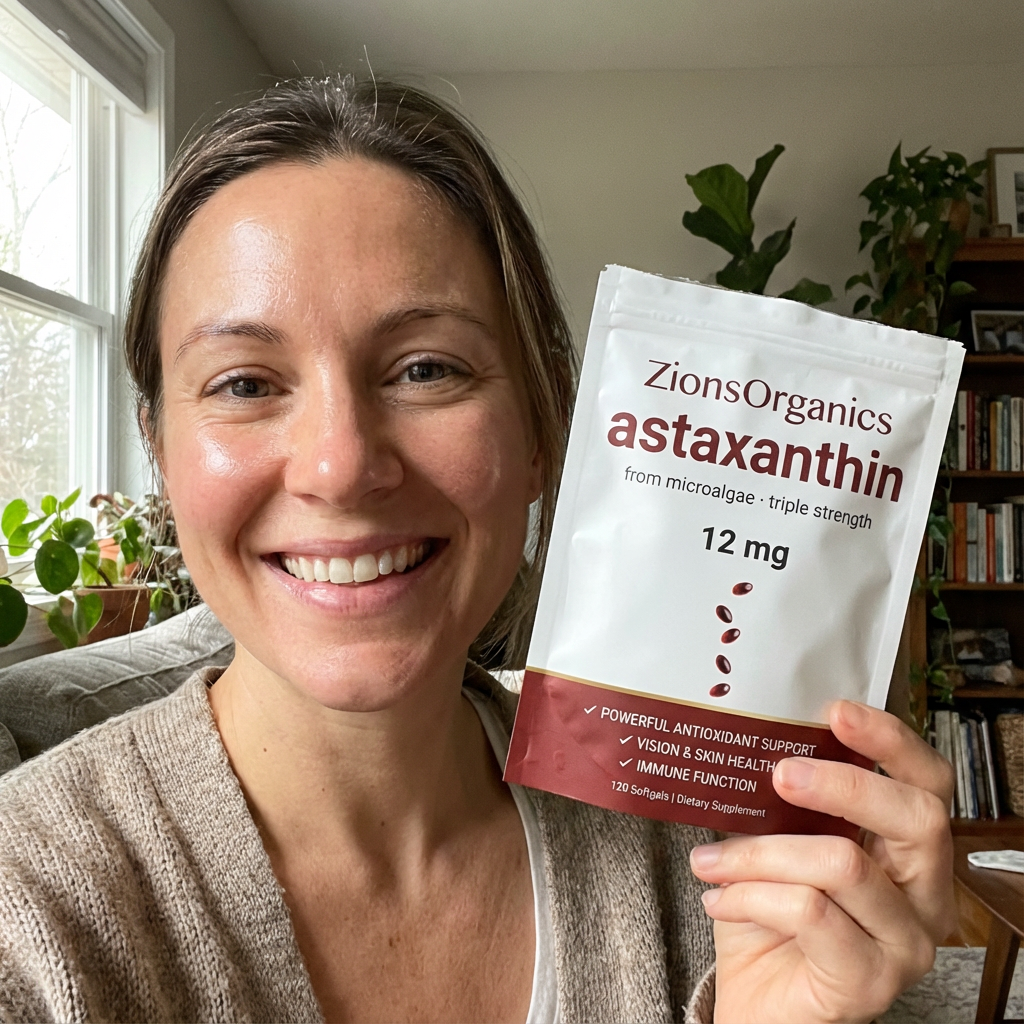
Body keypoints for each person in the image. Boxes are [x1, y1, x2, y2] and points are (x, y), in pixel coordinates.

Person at [0, 75, 955, 1023]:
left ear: (542, 429)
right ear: (161, 450)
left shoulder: (714, 866)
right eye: (245, 384)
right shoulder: (30, 907)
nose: (341, 466)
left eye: (426, 369)